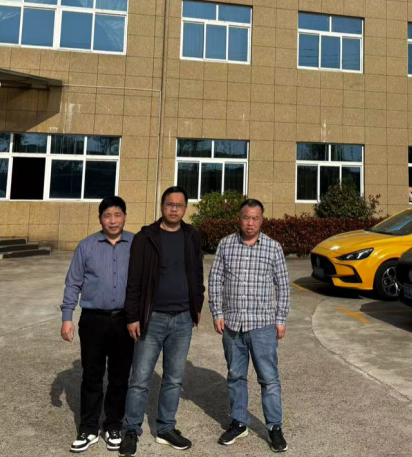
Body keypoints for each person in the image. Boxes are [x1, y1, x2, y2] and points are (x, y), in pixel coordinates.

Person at [119, 187, 204, 456]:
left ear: (185, 208)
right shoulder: (146, 237)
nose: (174, 209)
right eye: (169, 204)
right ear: (162, 206)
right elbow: (134, 279)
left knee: (174, 379)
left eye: (179, 205)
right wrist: (133, 316)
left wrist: (197, 305)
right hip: (151, 319)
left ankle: (166, 427)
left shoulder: (191, 236)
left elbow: (197, 273)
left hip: (182, 320)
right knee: (140, 378)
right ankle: (131, 429)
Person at [209, 199, 290, 453]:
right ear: (239, 218)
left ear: (262, 220)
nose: (250, 223)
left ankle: (274, 427)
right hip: (233, 325)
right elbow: (215, 279)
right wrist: (217, 312)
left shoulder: (273, 248)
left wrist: (280, 319)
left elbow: (283, 285)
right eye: (246, 217)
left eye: (255, 218)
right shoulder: (226, 245)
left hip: (263, 326)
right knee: (236, 376)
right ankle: (238, 422)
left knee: (269, 378)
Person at [60, 196, 134, 453]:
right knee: (92, 375)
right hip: (93, 321)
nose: (113, 220)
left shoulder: (136, 244)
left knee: (119, 376)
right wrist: (67, 317)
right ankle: (89, 428)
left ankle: (113, 425)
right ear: (100, 219)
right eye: (107, 215)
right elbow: (73, 283)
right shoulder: (86, 246)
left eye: (117, 215)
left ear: (125, 217)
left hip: (125, 321)